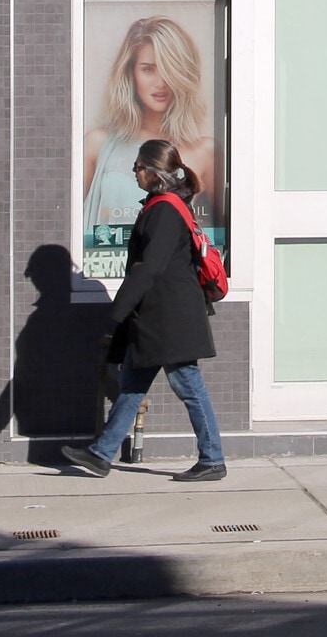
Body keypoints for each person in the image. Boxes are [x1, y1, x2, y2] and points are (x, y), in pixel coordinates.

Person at [61, 138, 226, 483]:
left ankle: (213, 459)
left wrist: (117, 312)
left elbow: (148, 268)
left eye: (138, 166)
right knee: (133, 383)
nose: (134, 172)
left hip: (170, 318)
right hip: (158, 316)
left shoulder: (164, 210)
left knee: (188, 384)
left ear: (154, 172)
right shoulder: (164, 205)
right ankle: (102, 454)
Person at [82, 17, 221, 240]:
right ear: (131, 73)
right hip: (103, 268)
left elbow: (228, 232)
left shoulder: (205, 151)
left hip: (169, 270)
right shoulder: (96, 144)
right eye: (148, 69)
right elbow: (64, 223)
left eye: (170, 69)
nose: (161, 82)